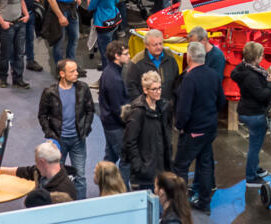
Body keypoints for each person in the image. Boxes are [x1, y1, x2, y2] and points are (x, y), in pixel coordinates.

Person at [173, 41, 224, 213]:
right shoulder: (214, 75)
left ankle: (179, 206)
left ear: (188, 57)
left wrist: (180, 126)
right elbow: (221, 101)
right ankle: (204, 203)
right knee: (205, 165)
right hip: (210, 129)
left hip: (193, 131)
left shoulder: (189, 79)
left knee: (180, 166)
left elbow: (183, 110)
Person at [38, 58, 95, 199]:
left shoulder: (83, 88)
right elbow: (42, 115)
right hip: (58, 141)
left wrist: (85, 129)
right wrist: (50, 134)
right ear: (62, 74)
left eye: (76, 70)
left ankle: (81, 206)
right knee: (54, 176)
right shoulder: (50, 92)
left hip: (78, 140)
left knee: (80, 176)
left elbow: (90, 111)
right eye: (73, 71)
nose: (77, 73)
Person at [231, 40, 271, 188]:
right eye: (261, 55)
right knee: (255, 147)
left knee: (255, 144)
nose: (263, 57)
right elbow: (262, 95)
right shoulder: (251, 77)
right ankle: (251, 178)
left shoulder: (244, 68)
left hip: (246, 110)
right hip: (255, 114)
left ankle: (255, 168)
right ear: (256, 57)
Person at [123, 70, 174, 191]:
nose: (158, 92)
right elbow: (130, 141)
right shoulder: (138, 111)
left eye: (160, 88)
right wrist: (139, 167)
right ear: (145, 90)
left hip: (161, 167)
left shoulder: (163, 107)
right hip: (145, 172)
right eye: (154, 89)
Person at [0, 141, 78, 203]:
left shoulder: (65, 191)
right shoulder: (43, 172)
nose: (36, 166)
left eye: (37, 162)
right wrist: (1, 170)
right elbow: (27, 171)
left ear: (43, 162)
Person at [100, 40, 131, 179]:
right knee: (126, 159)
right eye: (126, 54)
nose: (129, 56)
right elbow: (118, 109)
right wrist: (128, 123)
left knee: (110, 157)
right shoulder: (114, 78)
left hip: (109, 123)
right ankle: (123, 192)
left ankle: (104, 184)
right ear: (117, 56)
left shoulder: (109, 72)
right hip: (115, 126)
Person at [126, 28, 181, 104]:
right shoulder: (137, 62)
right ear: (146, 45)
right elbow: (131, 87)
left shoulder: (170, 58)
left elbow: (176, 82)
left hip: (168, 107)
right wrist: (144, 105)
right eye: (155, 45)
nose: (159, 47)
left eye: (160, 43)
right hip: (147, 109)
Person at [88, 0, 122, 67]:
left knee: (105, 51)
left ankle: (107, 71)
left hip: (103, 23)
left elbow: (91, 6)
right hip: (114, 20)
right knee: (113, 49)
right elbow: (117, 0)